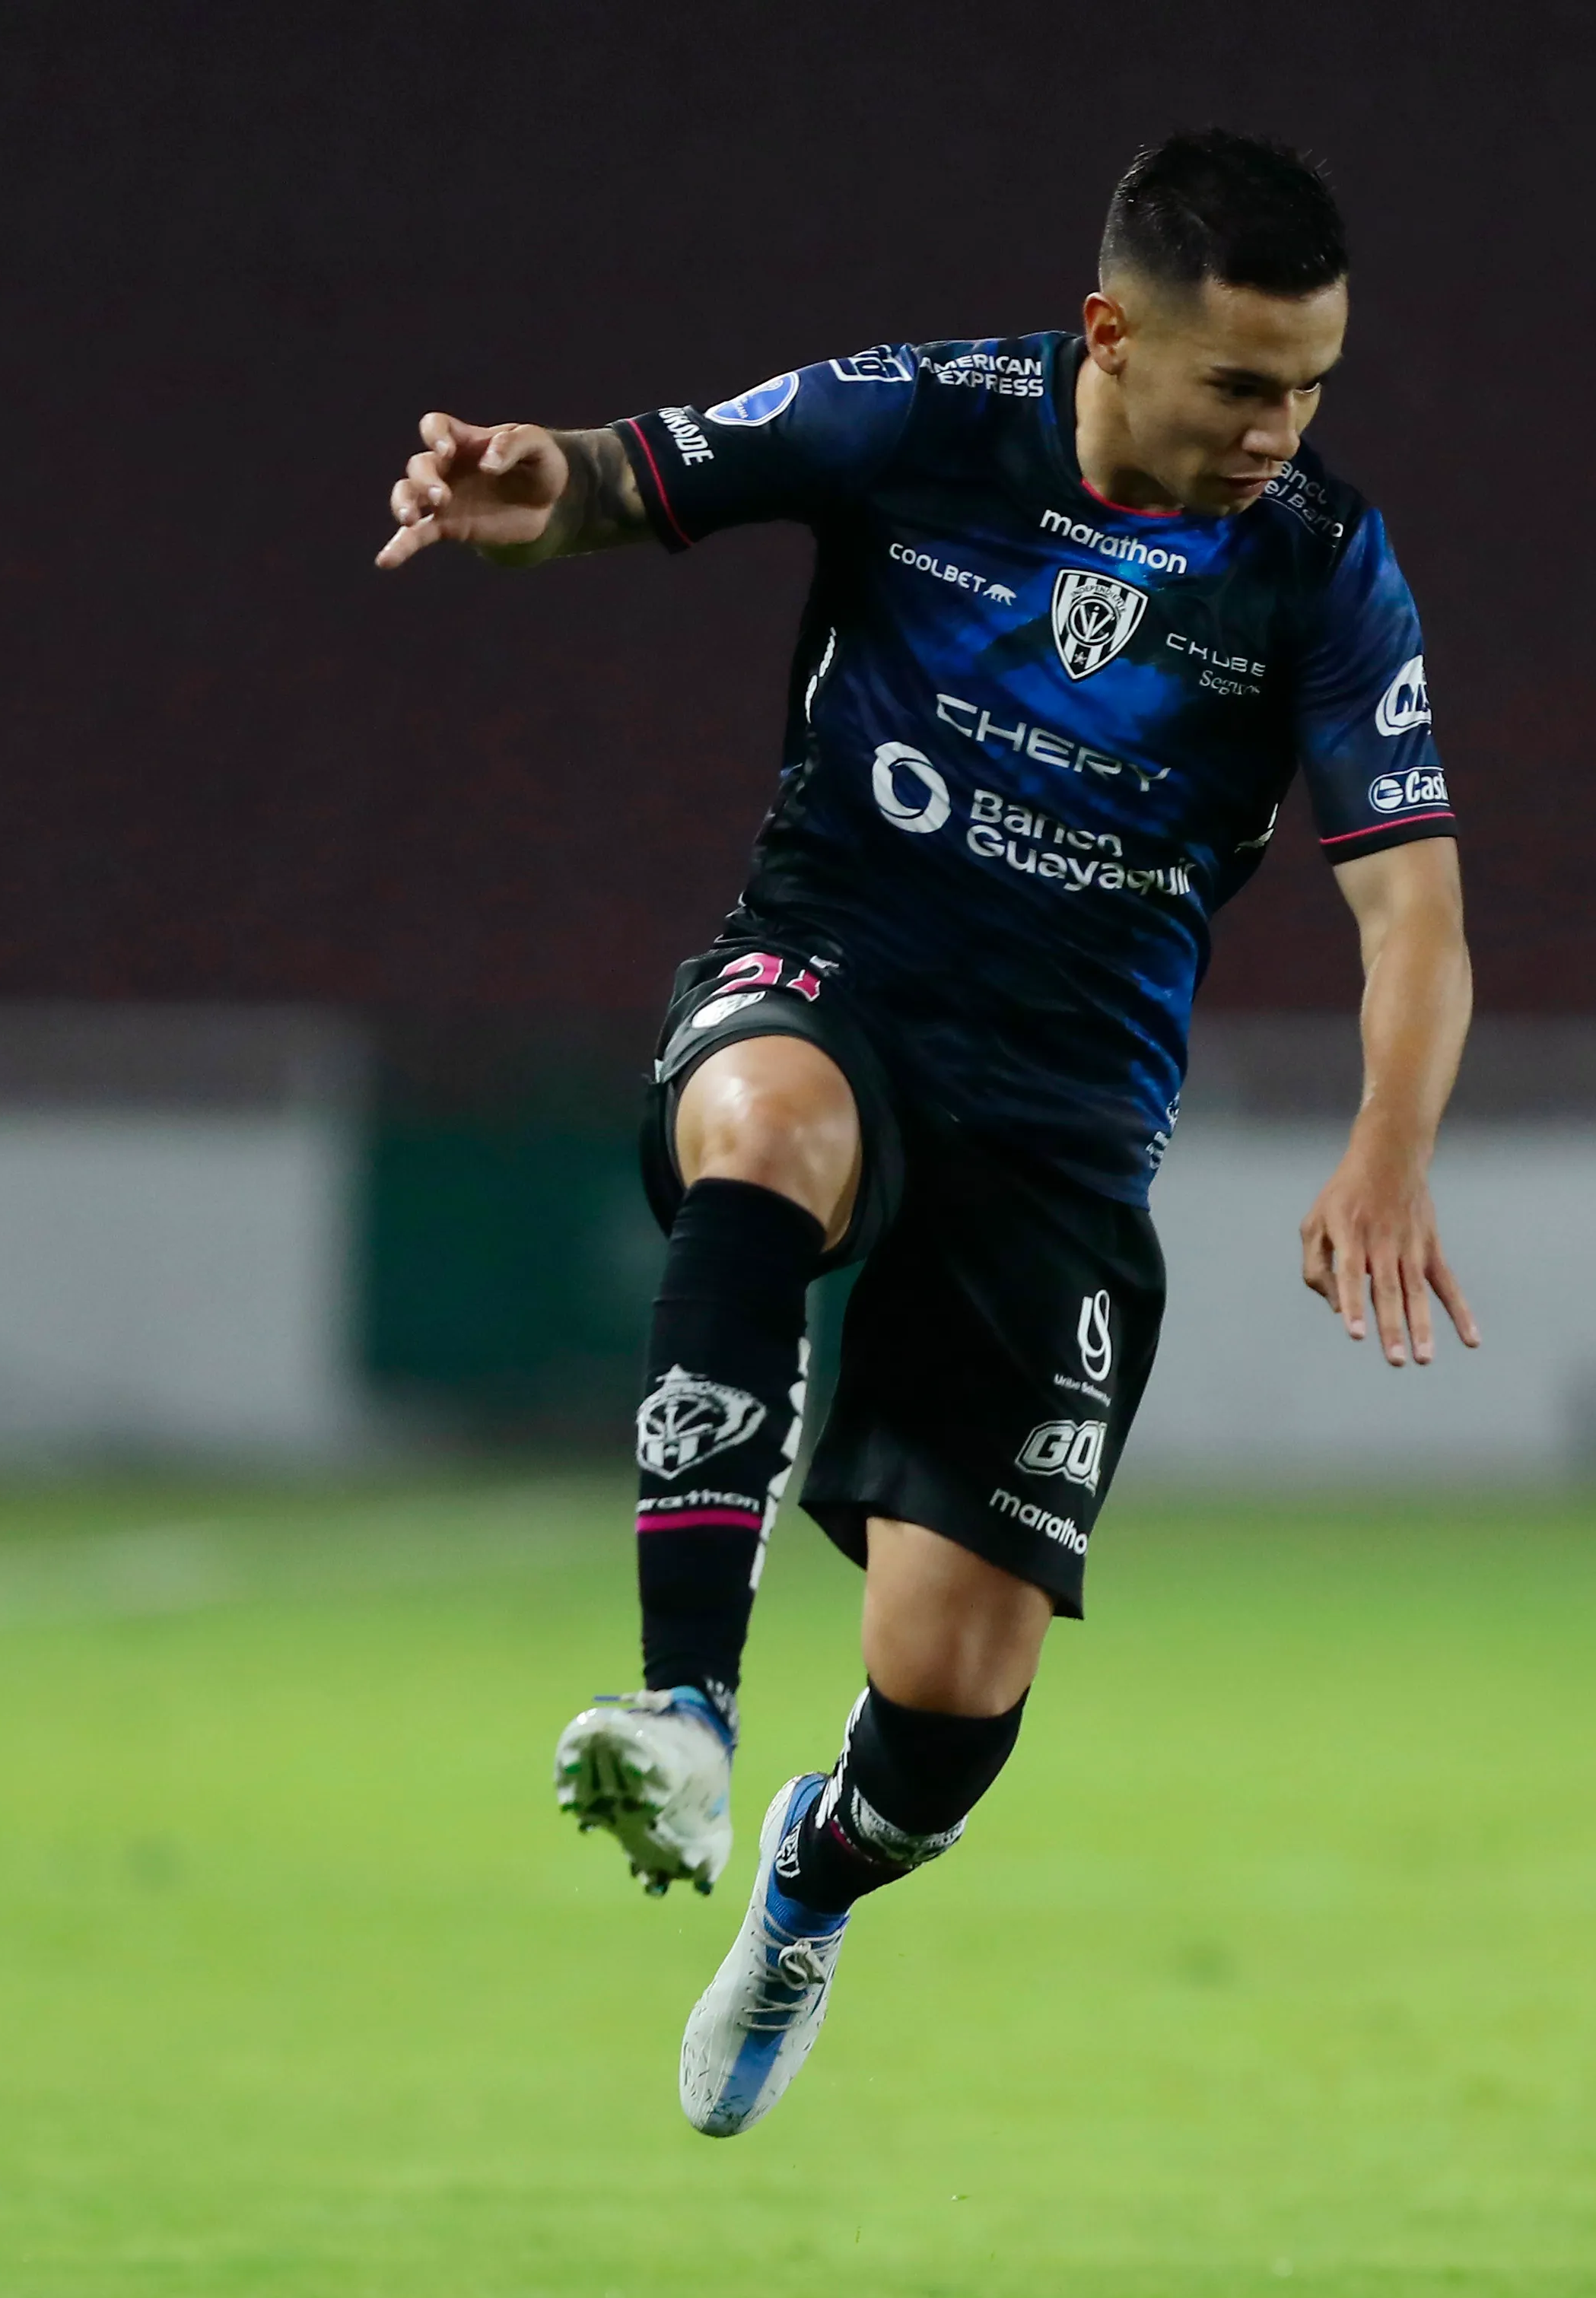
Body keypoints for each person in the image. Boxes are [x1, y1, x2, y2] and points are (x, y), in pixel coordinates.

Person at [374, 131, 1480, 2136]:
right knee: (762, 1129)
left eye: (1311, 381)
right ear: (1106, 335)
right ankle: (681, 1705)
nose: (1278, 427)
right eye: (1242, 381)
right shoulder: (919, 414)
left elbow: (1409, 906)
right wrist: (525, 487)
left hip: (1062, 1118)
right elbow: (622, 479)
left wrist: (1386, 1146)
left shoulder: (1320, 561)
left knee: (952, 1693)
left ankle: (808, 1876)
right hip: (838, 964)